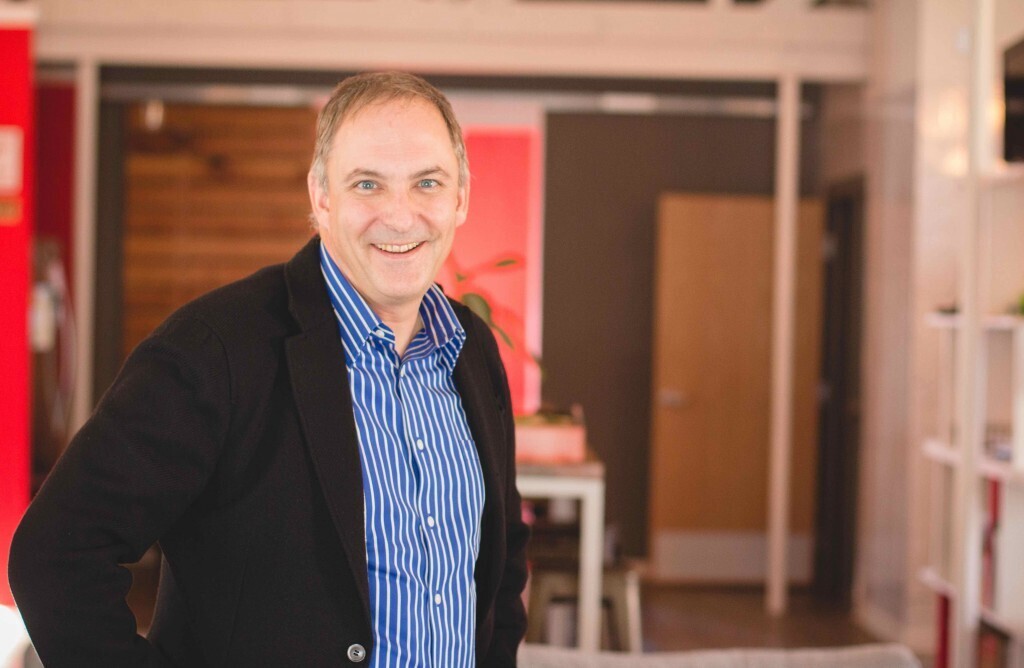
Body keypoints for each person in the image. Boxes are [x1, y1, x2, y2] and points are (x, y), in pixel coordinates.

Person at [9, 71, 529, 667]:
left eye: (427, 183)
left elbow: (502, 561)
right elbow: (55, 555)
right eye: (367, 184)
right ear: (321, 197)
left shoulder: (472, 349)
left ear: (460, 197)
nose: (400, 214)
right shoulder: (215, 349)